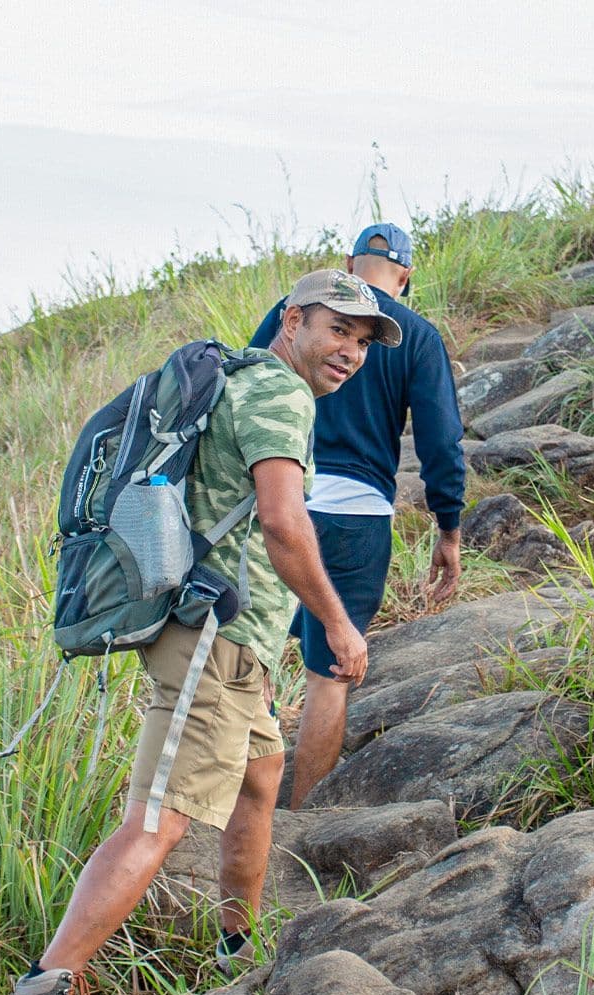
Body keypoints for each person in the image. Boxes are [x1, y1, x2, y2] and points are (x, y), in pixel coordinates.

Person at [15, 269, 399, 995]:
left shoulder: (245, 378)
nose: (350, 351)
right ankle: (48, 981)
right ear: (293, 323)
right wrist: (338, 624)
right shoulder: (280, 394)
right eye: (337, 330)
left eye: (362, 340)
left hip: (224, 639)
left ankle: (235, 951)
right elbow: (285, 524)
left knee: (260, 777)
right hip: (210, 642)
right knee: (157, 820)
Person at [247, 223, 467, 808]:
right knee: (329, 676)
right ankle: (299, 818)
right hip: (357, 518)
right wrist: (449, 528)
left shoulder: (296, 313)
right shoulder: (416, 335)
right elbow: (442, 440)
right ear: (406, 276)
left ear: (349, 262)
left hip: (278, 495)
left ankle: (245, 805)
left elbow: (246, 384)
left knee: (257, 656)